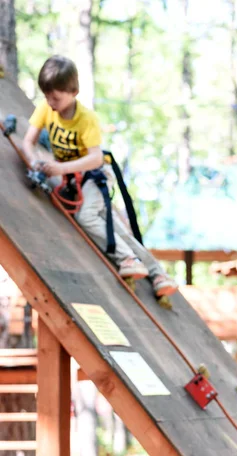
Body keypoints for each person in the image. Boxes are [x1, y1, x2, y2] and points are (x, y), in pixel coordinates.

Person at [22, 55, 177, 297]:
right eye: (47, 96)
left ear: (73, 92)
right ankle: (158, 272)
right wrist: (36, 164)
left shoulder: (86, 119)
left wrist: (61, 169)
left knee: (87, 217)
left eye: (56, 98)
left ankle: (127, 258)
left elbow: (95, 158)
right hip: (71, 177)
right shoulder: (45, 110)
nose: (51, 102)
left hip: (93, 177)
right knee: (115, 228)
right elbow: (28, 142)